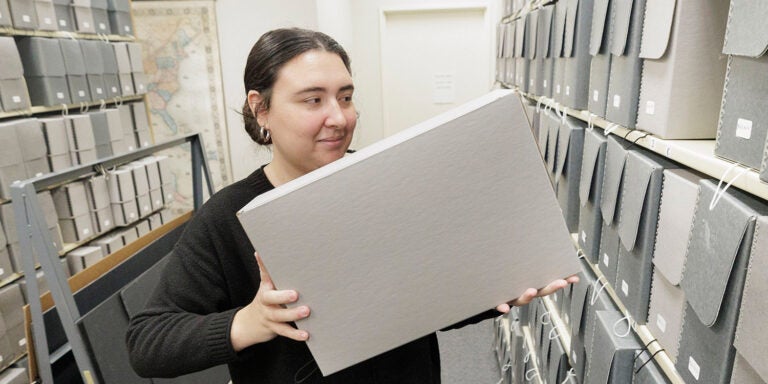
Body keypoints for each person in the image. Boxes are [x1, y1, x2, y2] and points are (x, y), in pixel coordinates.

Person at [126, 27, 577, 383]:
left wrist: (495, 288)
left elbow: (425, 292)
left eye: (345, 97)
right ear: (260, 108)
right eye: (312, 100)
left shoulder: (385, 181)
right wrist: (248, 322)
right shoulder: (228, 216)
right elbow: (146, 342)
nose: (339, 118)